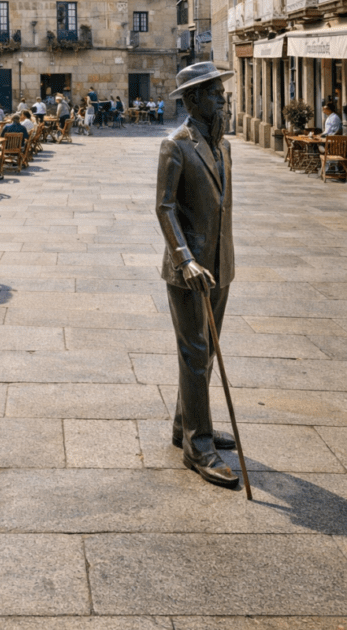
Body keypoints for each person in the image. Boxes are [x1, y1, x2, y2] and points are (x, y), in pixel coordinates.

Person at [156, 61, 238, 490]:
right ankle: (198, 446)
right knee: (194, 352)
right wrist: (185, 258)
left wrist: (218, 257)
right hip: (189, 269)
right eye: (214, 94)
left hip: (221, 262)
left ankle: (185, 424)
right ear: (192, 100)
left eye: (221, 94)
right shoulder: (176, 145)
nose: (222, 100)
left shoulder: (222, 146)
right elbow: (164, 207)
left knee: (207, 351)